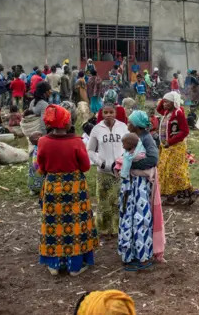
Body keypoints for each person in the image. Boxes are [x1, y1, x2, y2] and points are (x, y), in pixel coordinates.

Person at [36, 104, 98, 275]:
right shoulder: (76, 141)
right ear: (67, 121)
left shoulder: (42, 142)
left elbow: (40, 168)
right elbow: (85, 166)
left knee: (54, 223)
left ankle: (54, 265)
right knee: (76, 223)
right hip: (75, 187)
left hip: (52, 187)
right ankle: (75, 266)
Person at [119, 111, 164, 270]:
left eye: (130, 122)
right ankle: (129, 253)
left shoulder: (146, 139)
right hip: (130, 185)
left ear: (137, 125)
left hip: (140, 186)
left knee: (141, 218)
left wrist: (130, 165)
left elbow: (153, 160)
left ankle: (142, 255)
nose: (127, 124)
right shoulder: (133, 137)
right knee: (128, 216)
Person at [87, 103, 129, 235]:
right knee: (103, 201)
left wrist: (123, 161)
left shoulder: (123, 127)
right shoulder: (96, 129)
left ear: (115, 113)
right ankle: (103, 229)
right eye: (106, 112)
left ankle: (118, 229)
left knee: (119, 201)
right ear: (102, 114)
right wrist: (101, 163)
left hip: (120, 171)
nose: (108, 115)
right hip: (103, 171)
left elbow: (129, 146)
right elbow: (90, 150)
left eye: (111, 112)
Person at [156, 92, 199, 205]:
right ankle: (170, 195)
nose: (164, 104)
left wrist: (170, 142)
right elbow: (158, 108)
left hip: (176, 147)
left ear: (174, 103)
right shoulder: (166, 112)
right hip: (166, 147)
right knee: (164, 170)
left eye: (167, 102)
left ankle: (187, 191)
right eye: (164, 102)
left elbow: (185, 131)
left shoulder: (178, 113)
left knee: (175, 170)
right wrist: (166, 97)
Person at [27, 131, 43, 195]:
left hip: (37, 170)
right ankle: (38, 188)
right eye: (41, 135)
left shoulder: (33, 150)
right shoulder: (41, 148)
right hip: (39, 169)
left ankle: (34, 189)